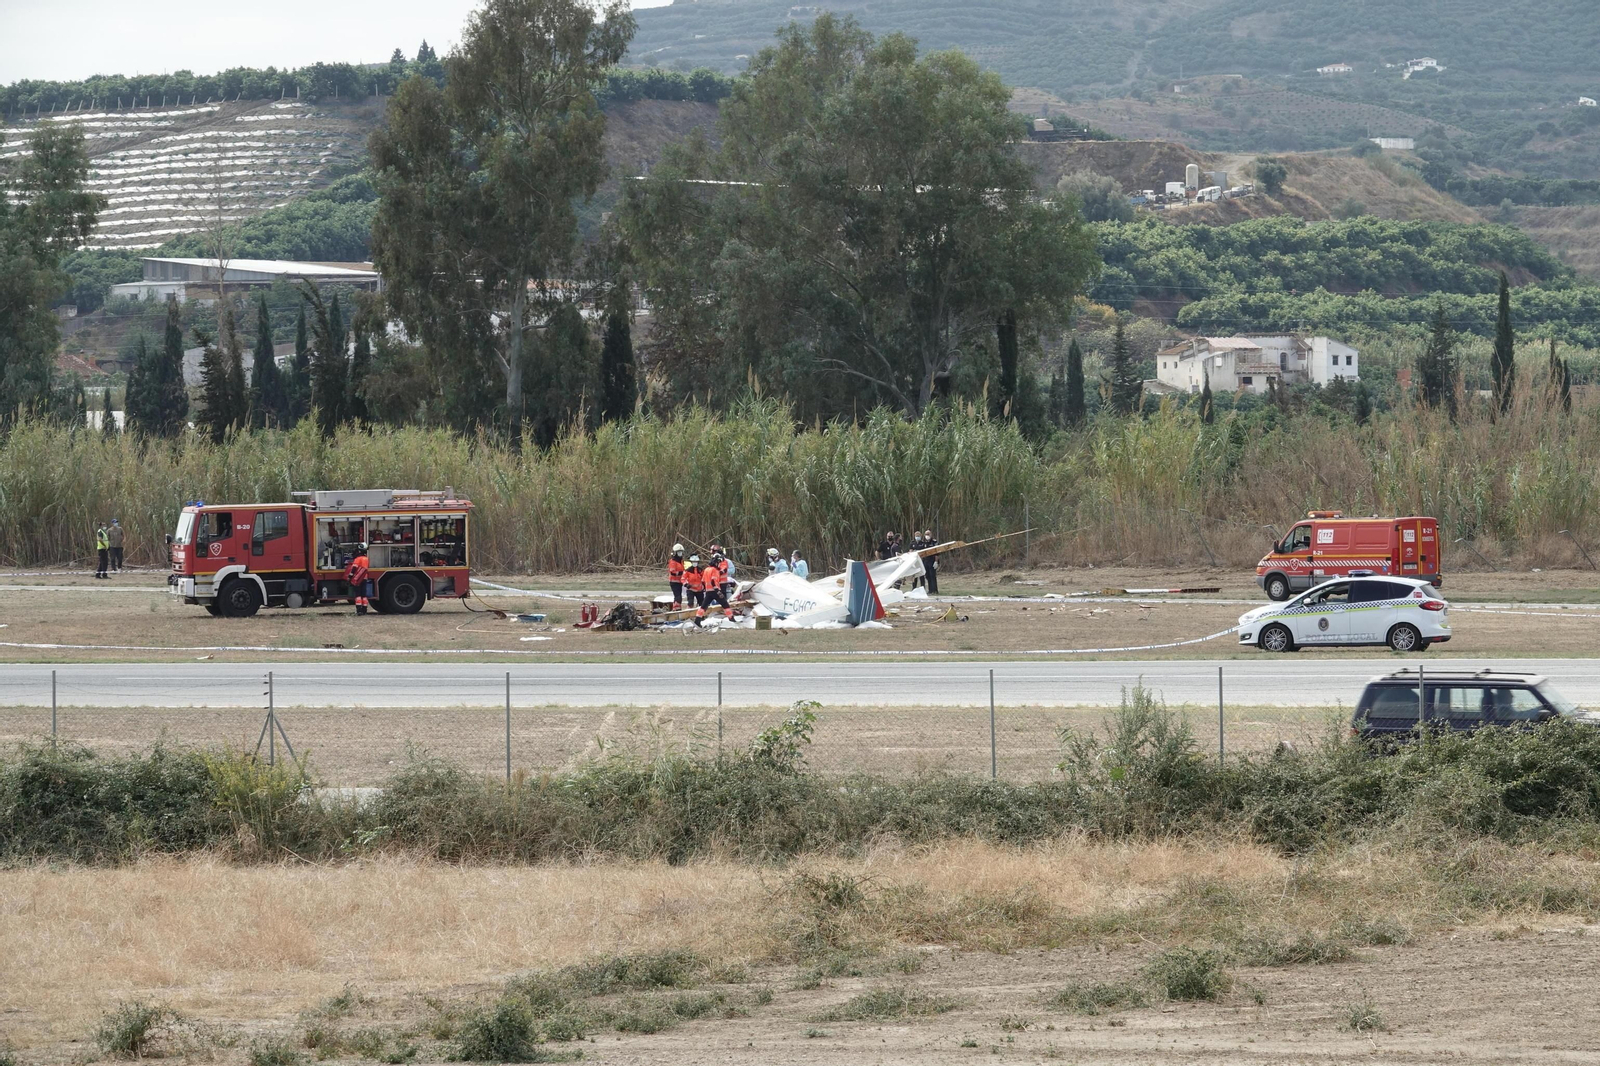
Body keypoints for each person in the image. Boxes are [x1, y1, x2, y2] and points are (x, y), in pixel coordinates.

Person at [347, 542, 373, 615]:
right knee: (364, 595)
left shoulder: (357, 559)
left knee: (358, 595)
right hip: (364, 578)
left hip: (357, 579)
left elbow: (354, 569)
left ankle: (359, 611)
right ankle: (364, 610)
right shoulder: (366, 559)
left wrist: (350, 577)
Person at [668, 543, 686, 609]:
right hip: (674, 582)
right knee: (678, 596)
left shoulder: (681, 561)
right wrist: (681, 573)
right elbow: (673, 572)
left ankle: (677, 608)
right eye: (679, 552)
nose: (680, 553)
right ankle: (676, 608)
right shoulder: (673, 562)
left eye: (681, 552)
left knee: (678, 596)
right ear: (675, 552)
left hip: (679, 581)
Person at [923, 529, 940, 595]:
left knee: (932, 576)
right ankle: (930, 590)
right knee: (927, 576)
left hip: (932, 561)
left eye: (928, 534)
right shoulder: (924, 543)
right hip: (925, 561)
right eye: (926, 534)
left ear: (931, 534)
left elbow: (937, 552)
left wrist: (936, 561)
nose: (927, 536)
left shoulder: (934, 542)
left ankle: (935, 590)